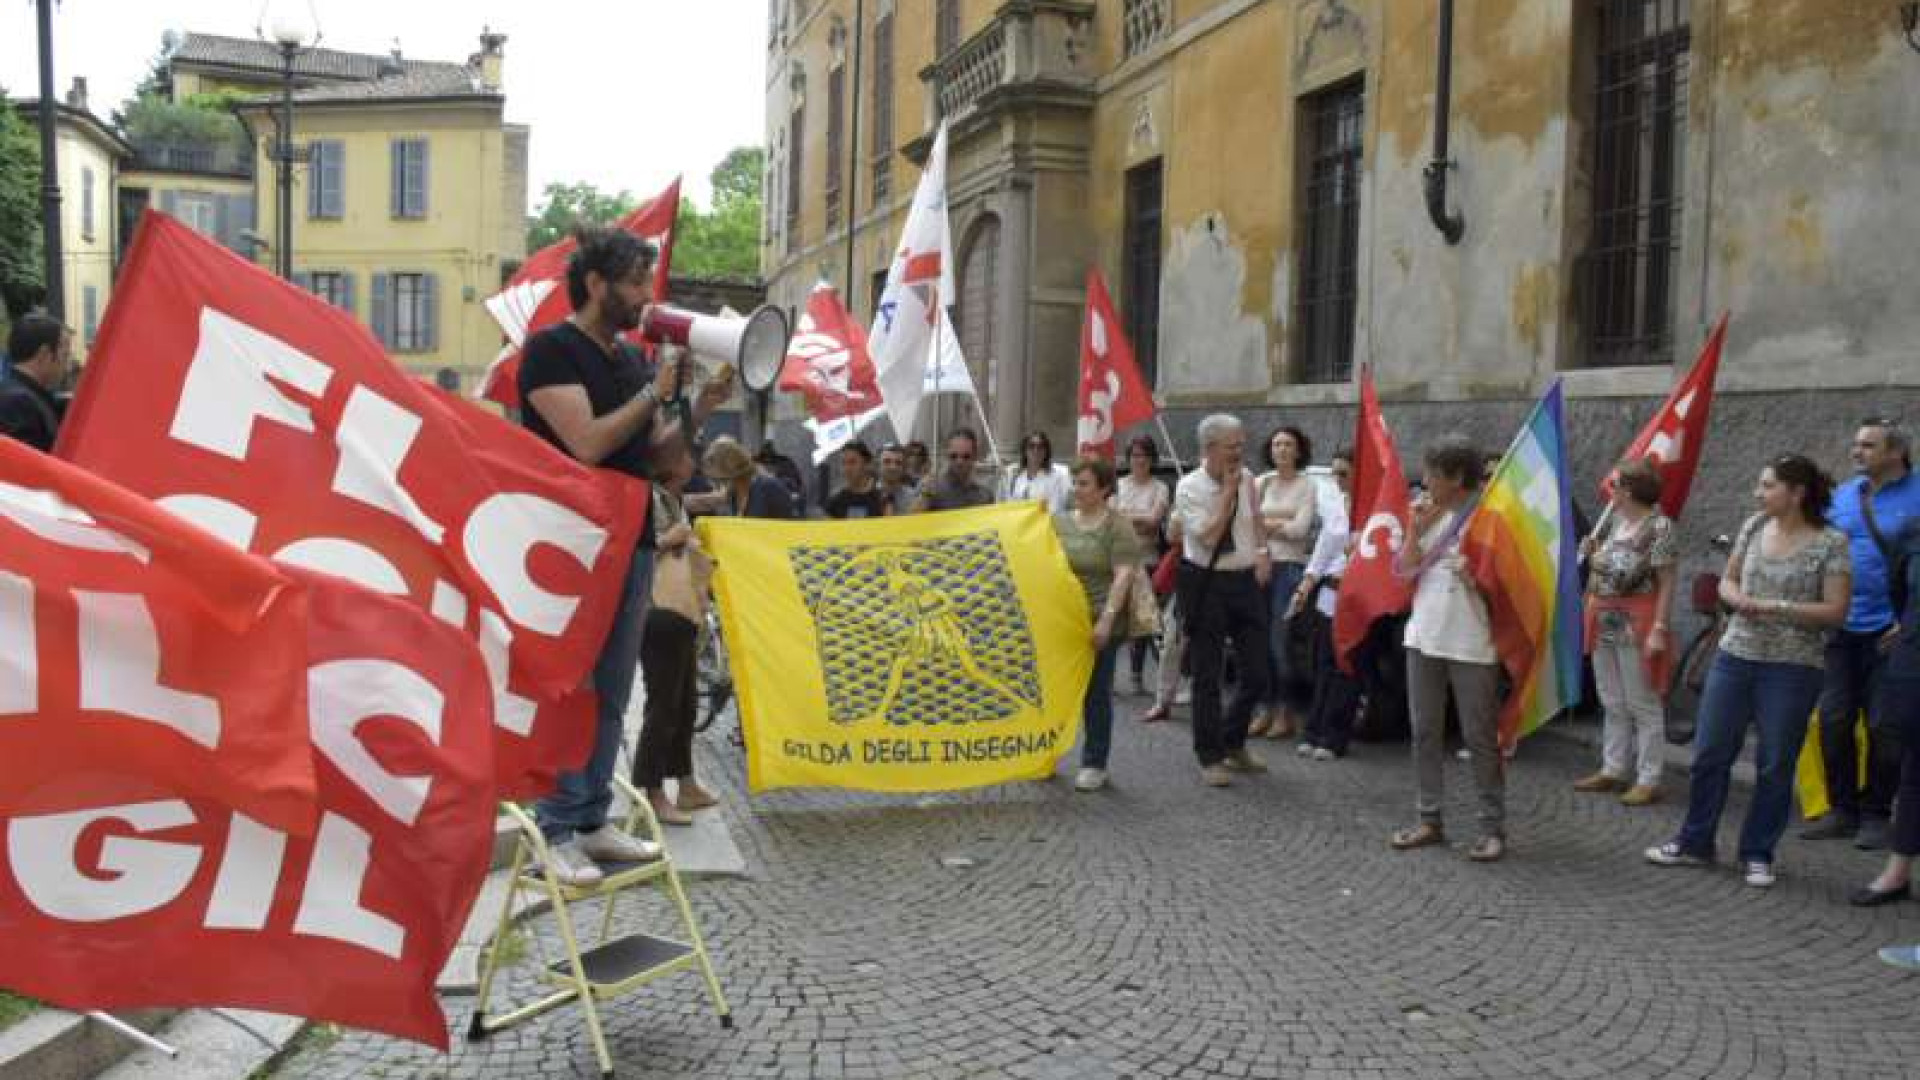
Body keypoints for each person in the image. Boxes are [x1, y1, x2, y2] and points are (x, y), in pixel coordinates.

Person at [518, 227, 731, 886]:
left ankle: (591, 820)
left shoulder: (632, 362)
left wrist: (697, 404)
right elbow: (585, 443)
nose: (646, 296)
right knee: (572, 685)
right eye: (636, 282)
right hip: (572, 540)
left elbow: (659, 458)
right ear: (596, 284)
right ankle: (553, 827)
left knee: (612, 689)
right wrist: (652, 393)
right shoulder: (552, 350)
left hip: (629, 536)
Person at [1646, 454, 1851, 888]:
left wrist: (1774, 607)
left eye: (1767, 486)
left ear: (1797, 493)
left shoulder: (1831, 542)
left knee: (1775, 762)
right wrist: (1735, 597)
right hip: (1736, 655)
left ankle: (1758, 852)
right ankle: (1694, 842)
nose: (1758, 493)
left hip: (1793, 666)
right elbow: (1728, 580)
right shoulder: (1754, 525)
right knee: (1709, 753)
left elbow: (1836, 610)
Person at [1804, 419, 1920, 849]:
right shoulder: (1845, 495)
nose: (1857, 451)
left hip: (1893, 634)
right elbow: (1821, 549)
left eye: (1868, 445)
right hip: (1842, 627)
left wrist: (1907, 622)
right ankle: (1842, 810)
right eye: (1855, 444)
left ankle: (1876, 813)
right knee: (1834, 719)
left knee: (1884, 726)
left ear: (1896, 452)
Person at [1389, 436, 1505, 862]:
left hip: (1473, 643)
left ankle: (1492, 827)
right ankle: (1429, 818)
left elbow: (1512, 595)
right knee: (1423, 732)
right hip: (1424, 636)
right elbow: (1403, 570)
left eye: (1433, 476)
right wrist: (1414, 530)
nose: (1425, 483)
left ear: (1456, 478)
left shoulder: (1490, 521)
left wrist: (1477, 579)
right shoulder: (1430, 515)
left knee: (1480, 738)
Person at [1172, 414, 1271, 787]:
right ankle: (1209, 754)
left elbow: (1257, 518)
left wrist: (1263, 551)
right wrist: (1227, 494)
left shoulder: (1247, 477)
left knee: (1258, 671)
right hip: (1207, 582)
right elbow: (1209, 537)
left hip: (1245, 581)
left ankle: (1233, 740)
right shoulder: (1189, 487)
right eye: (1232, 446)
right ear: (1209, 448)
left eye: (1241, 445)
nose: (1239, 452)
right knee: (1207, 675)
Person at [1573, 457, 1678, 805]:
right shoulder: (1616, 521)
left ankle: (1649, 777)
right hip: (1604, 616)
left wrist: (1660, 627)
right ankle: (1613, 767)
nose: (1609, 490)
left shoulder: (1660, 528)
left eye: (1614, 485)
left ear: (1629, 491)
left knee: (1642, 701)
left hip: (1639, 618)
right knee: (1612, 697)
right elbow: (1608, 570)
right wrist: (1594, 554)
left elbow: (1666, 582)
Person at [631, 438, 719, 826]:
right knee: (663, 705)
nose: (691, 461)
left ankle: (685, 783)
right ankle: (650, 792)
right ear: (669, 464)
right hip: (657, 612)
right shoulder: (647, 498)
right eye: (685, 455)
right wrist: (671, 539)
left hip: (681, 611)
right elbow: (635, 552)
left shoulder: (672, 498)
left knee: (684, 705)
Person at [1053, 457, 1142, 792]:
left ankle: (1094, 763)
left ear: (1104, 489)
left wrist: (1106, 619)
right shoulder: (1059, 523)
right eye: (1075, 483)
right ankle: (1046, 753)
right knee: (1058, 690)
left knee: (1095, 693)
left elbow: (1124, 574)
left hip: (1101, 620)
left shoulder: (1118, 526)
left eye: (1084, 483)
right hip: (1065, 620)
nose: (1077, 489)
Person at [1851, 515, 1920, 911]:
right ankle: (1898, 872)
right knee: (1914, 766)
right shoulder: (1912, 533)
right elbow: (1899, 592)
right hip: (1914, 662)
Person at [1253, 426, 1318, 741]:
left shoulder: (1307, 485)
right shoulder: (1261, 482)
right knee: (1259, 644)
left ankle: (1285, 713)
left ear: (1298, 450)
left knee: (1281, 644)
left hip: (1289, 570)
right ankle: (1265, 708)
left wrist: (1267, 525)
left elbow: (1300, 530)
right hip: (1260, 567)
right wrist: (1280, 524)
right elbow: (1247, 524)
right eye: (1276, 443)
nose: (1281, 448)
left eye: (1288, 444)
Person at [1296, 450, 1357, 760]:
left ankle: (1334, 737)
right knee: (1323, 666)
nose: (1337, 480)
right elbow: (1323, 548)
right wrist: (1307, 583)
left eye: (1343, 473)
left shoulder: (1379, 510)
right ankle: (1312, 729)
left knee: (1345, 669)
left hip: (1357, 600)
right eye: (1335, 473)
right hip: (1329, 594)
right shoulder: (1337, 506)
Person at [1114, 435, 1171, 696]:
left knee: (1145, 622)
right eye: (1135, 455)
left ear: (1152, 459)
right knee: (1115, 618)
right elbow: (1113, 520)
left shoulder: (1160, 488)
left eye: (1144, 455)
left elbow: (1154, 522)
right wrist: (1139, 520)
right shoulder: (1119, 485)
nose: (1139, 460)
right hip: (1120, 561)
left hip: (1148, 562)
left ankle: (1139, 677)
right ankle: (1109, 677)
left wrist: (1130, 519)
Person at [0, 313, 73, 452]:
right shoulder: (18, 403)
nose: (68, 366)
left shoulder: (19, 394)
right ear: (44, 355)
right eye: (65, 355)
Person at [705, 436, 799, 519]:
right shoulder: (732, 494)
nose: (715, 486)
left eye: (720, 480)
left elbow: (790, 527)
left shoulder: (769, 488)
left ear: (734, 472)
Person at [915, 428, 995, 511]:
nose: (959, 462)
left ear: (975, 457)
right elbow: (912, 521)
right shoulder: (931, 487)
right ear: (946, 455)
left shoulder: (985, 496)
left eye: (966, 457)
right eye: (954, 456)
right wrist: (926, 495)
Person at [1003, 429, 1072, 512]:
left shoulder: (1060, 473)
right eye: (1031, 446)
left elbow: (1067, 504)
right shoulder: (1013, 473)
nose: (1036, 450)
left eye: (1041, 446)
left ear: (1046, 450)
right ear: (1025, 450)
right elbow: (1006, 504)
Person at [825, 440, 890, 519]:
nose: (847, 468)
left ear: (867, 464)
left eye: (852, 462)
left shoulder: (882, 498)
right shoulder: (835, 500)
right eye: (844, 463)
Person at [877, 443, 921, 516]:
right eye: (887, 462)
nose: (893, 467)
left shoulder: (912, 497)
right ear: (878, 465)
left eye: (898, 463)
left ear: (903, 467)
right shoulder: (868, 494)